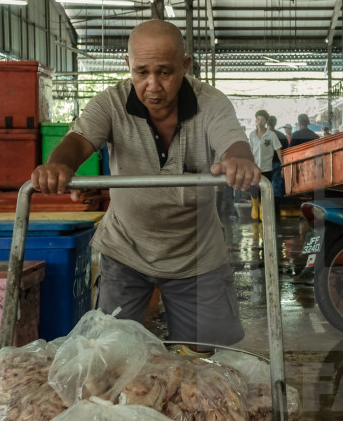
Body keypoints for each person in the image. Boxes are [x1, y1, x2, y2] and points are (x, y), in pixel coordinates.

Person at [31, 20, 260, 350]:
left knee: (206, 364)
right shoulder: (110, 103)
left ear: (185, 66)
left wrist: (238, 160)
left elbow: (232, 142)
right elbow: (79, 140)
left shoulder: (211, 103)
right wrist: (59, 165)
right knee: (108, 355)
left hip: (197, 254)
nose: (153, 85)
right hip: (126, 250)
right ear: (128, 66)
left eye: (165, 72)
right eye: (141, 72)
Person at [249, 109, 282, 219]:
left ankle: (263, 210)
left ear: (266, 121)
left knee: (265, 190)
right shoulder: (252, 135)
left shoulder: (271, 135)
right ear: (256, 120)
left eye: (262, 119)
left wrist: (283, 165)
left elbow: (278, 149)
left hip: (267, 168)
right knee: (253, 188)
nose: (260, 121)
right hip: (254, 167)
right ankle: (255, 207)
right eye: (258, 119)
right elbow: (250, 149)